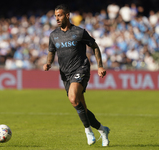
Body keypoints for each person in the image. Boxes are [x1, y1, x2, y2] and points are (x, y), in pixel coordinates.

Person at [43, 4, 110, 146]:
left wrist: (100, 66)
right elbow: (51, 51)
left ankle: (88, 132)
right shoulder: (54, 35)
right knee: (82, 108)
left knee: (73, 98)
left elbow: (95, 46)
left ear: (67, 15)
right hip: (65, 74)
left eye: (59, 15)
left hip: (81, 69)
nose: (57, 18)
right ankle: (103, 130)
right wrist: (48, 63)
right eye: (55, 16)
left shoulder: (79, 32)